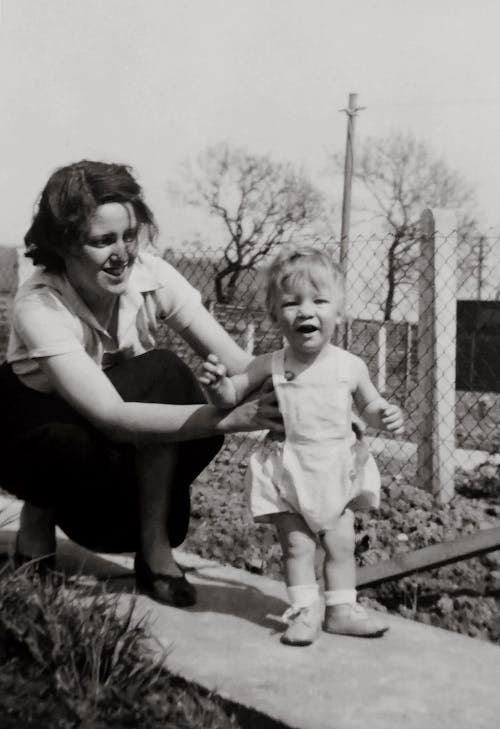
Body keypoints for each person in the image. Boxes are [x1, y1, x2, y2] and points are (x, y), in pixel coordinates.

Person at [0, 159, 283, 607]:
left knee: (164, 375)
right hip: (34, 433)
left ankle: (154, 551)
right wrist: (227, 418)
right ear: (65, 244)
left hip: (104, 434)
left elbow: (240, 366)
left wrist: (312, 374)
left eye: (129, 235)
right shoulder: (40, 303)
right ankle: (38, 518)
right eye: (102, 241)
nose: (122, 253)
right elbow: (112, 417)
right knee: (70, 433)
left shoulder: (150, 275)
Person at [200, 245, 404, 646]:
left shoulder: (350, 366)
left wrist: (384, 415)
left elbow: (370, 403)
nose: (306, 311)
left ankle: (341, 609)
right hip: (288, 470)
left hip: (336, 468)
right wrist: (218, 385)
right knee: (296, 546)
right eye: (291, 304)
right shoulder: (269, 364)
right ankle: (305, 610)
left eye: (320, 301)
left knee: (341, 543)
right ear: (275, 315)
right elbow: (232, 395)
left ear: (339, 313)